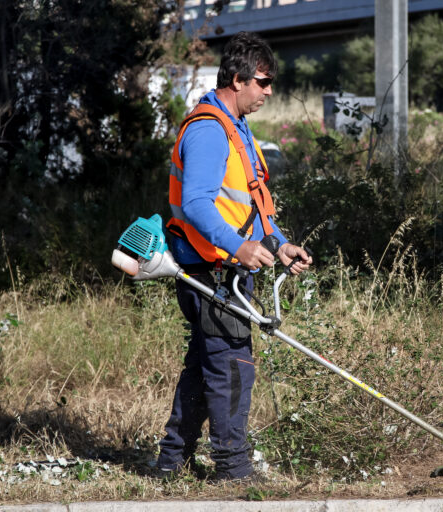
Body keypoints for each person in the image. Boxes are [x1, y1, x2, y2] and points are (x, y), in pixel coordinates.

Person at [157, 31, 312, 482]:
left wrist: (279, 244)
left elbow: (249, 205)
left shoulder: (236, 126)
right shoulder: (209, 131)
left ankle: (171, 462)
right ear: (238, 79)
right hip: (209, 269)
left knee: (204, 366)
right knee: (231, 366)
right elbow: (197, 204)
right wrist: (239, 247)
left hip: (225, 267)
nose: (269, 91)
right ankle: (233, 467)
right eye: (263, 82)